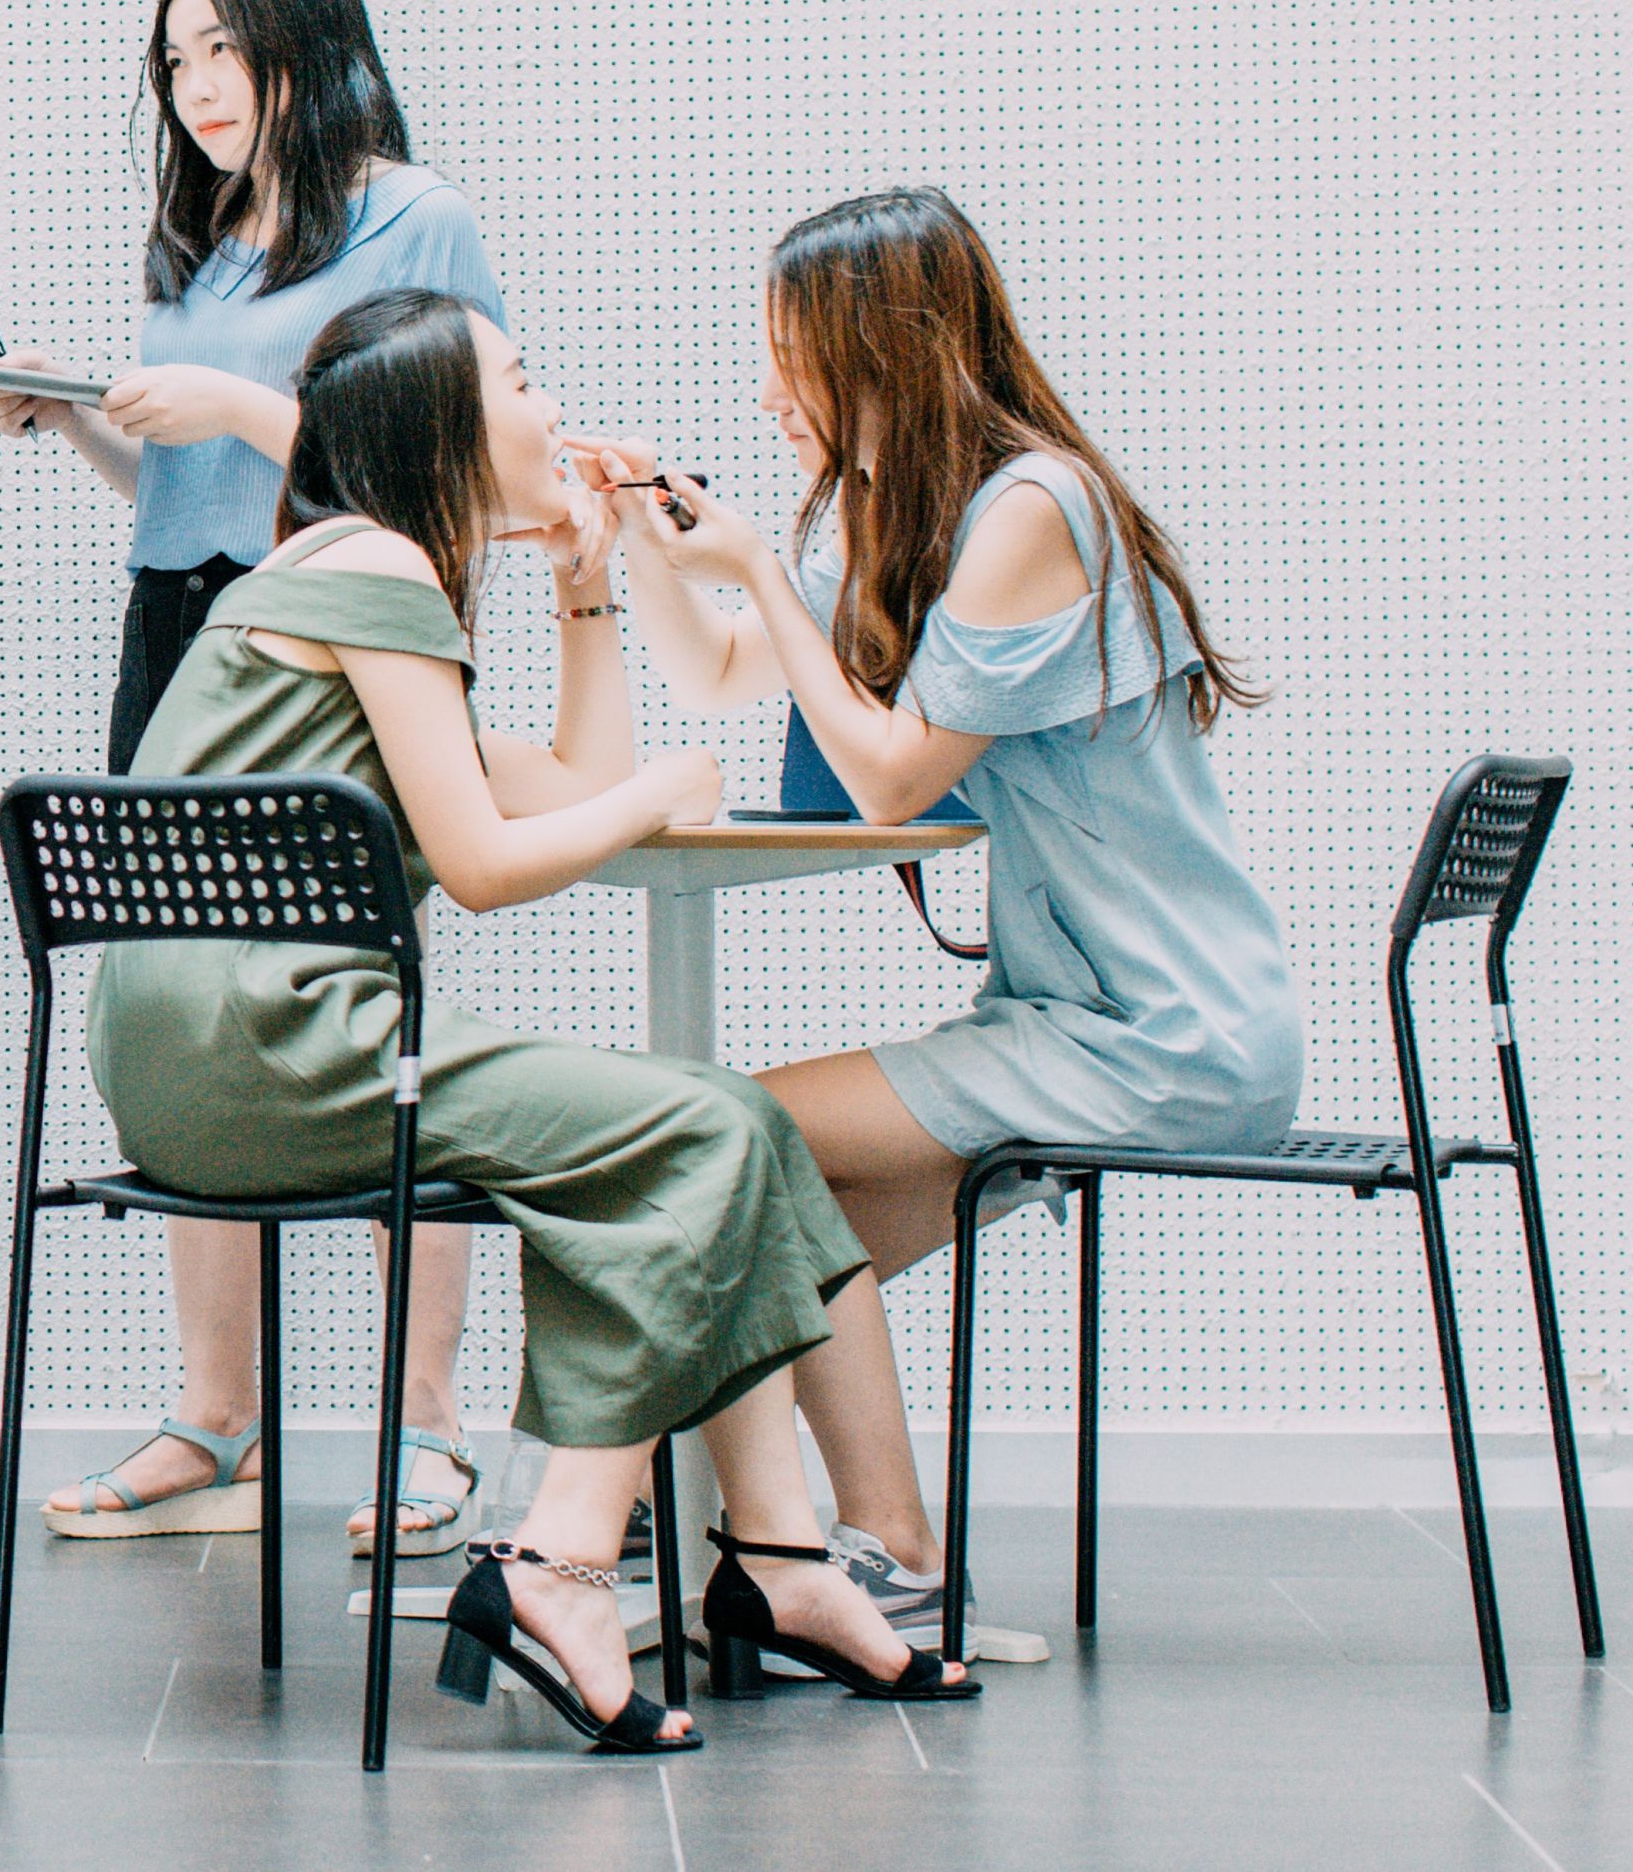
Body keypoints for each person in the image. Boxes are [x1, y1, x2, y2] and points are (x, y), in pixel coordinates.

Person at [90, 286, 974, 1751]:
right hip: (289, 1055)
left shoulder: (326, 574)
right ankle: (565, 1568)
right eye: (520, 379)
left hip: (201, 1065)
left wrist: (585, 581)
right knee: (715, 1124)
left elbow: (565, 777)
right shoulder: (376, 570)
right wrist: (668, 788)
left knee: (726, 1129)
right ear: (443, 424)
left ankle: (779, 1561)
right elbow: (501, 866)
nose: (551, 410)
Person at [617, 185, 1299, 1644]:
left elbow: (890, 772)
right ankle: (820, 1546)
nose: (769, 391)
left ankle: (814, 1539)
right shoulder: (917, 512)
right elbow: (734, 673)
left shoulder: (1035, 510)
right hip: (1070, 1017)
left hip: (1161, 1033)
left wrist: (751, 566)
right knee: (776, 1213)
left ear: (881, 348)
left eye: (791, 354)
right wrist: (649, 560)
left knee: (741, 1129)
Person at [0, 0, 505, 1557]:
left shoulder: (419, 220)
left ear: (310, 42)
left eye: (227, 49)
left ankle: (424, 1431)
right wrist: (76, 414)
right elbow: (183, 495)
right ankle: (220, 1417)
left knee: (368, 1003)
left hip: (346, 632)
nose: (199, 87)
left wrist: (232, 406)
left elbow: (441, 461)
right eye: (177, 57)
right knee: (185, 1010)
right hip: (187, 633)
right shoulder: (205, 249)